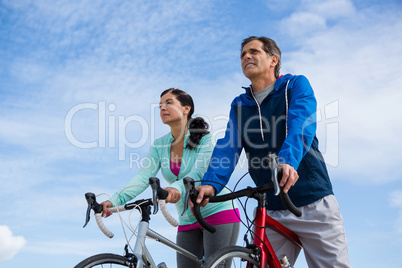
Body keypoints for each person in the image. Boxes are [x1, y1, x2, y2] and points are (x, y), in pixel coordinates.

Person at [194, 37, 351, 267]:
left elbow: (300, 125)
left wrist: (287, 161)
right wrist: (211, 183)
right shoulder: (240, 105)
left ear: (273, 60)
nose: (246, 57)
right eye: (242, 54)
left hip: (313, 201)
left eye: (253, 51)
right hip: (272, 207)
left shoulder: (295, 85)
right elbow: (228, 146)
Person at [101, 88, 240, 268]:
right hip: (187, 219)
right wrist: (114, 201)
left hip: (217, 212)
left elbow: (197, 174)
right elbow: (144, 176)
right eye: (159, 105)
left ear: (186, 108)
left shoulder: (206, 140)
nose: (162, 108)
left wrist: (174, 190)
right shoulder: (159, 145)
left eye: (168, 103)